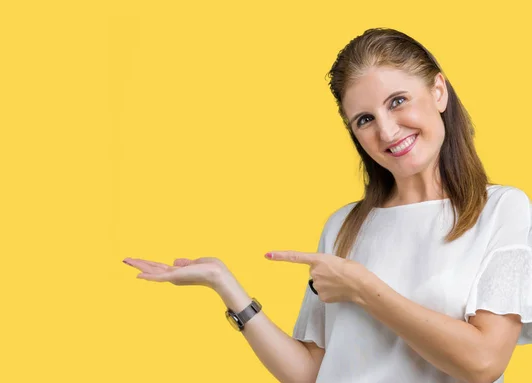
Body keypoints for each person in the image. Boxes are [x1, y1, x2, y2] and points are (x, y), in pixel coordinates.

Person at [123, 28, 532, 383]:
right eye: (364, 120)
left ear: (438, 91)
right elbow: (312, 373)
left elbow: (483, 362)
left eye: (397, 101)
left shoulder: (500, 211)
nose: (387, 130)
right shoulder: (344, 226)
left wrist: (364, 288)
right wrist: (226, 287)